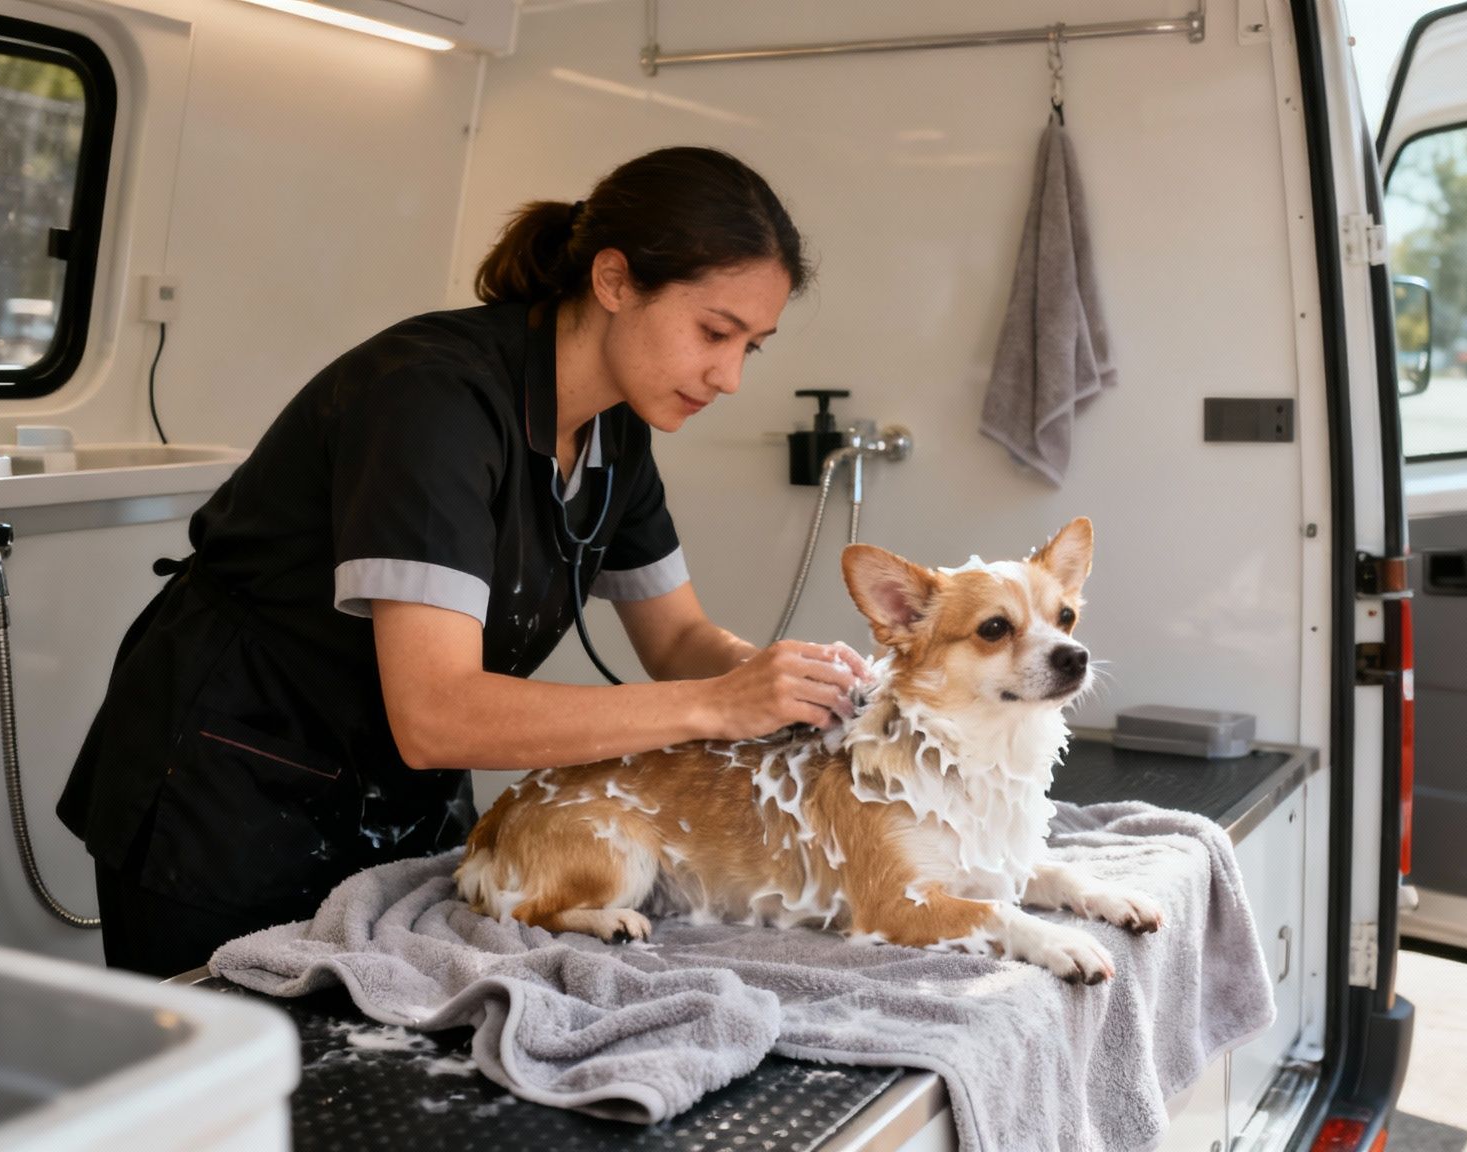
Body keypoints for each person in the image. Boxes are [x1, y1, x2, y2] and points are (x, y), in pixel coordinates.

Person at [58, 147, 870, 978]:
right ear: (616, 281)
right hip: (228, 791)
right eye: (713, 332)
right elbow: (438, 715)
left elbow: (679, 637)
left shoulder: (615, 430)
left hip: (398, 801)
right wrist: (715, 706)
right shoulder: (430, 400)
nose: (728, 377)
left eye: (752, 347)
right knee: (222, 1084)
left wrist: (784, 683)